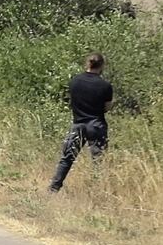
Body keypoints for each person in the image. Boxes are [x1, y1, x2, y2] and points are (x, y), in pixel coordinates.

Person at [48, 52, 114, 193]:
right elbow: (107, 108)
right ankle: (98, 191)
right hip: (97, 124)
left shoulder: (75, 81)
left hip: (78, 124)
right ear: (102, 65)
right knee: (99, 161)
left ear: (87, 63)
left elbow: (72, 101)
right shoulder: (105, 86)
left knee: (67, 158)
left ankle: (53, 189)